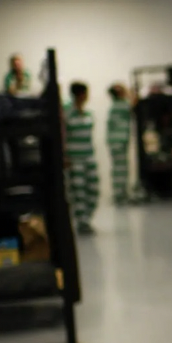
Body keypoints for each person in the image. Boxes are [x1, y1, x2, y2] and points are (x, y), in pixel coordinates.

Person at [64, 82, 99, 234]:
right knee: (78, 192)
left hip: (89, 157)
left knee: (93, 189)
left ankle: (87, 217)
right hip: (75, 158)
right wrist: (65, 157)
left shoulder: (89, 114)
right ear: (79, 94)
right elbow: (63, 137)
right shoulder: (66, 113)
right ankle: (82, 222)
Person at [107, 83, 134, 204]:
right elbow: (134, 102)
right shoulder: (121, 105)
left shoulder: (116, 105)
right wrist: (129, 92)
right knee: (120, 169)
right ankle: (120, 195)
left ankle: (120, 194)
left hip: (116, 141)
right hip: (118, 141)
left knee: (119, 168)